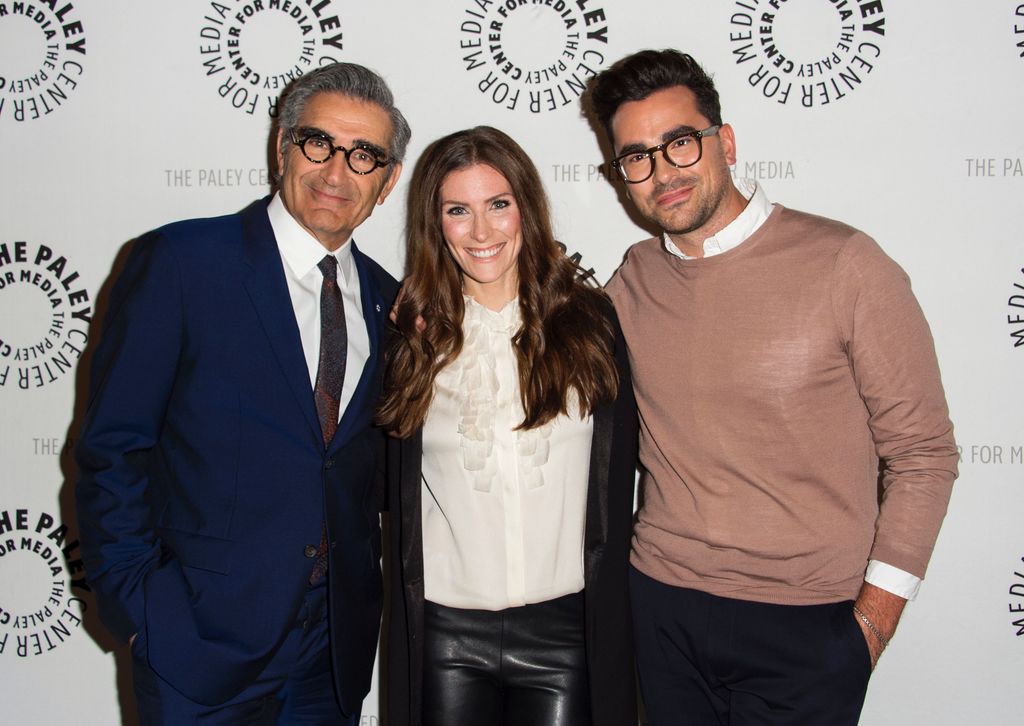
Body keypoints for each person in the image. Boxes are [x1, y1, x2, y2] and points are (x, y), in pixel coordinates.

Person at [585, 49, 958, 725]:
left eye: (679, 144)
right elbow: (545, 358)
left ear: (723, 142)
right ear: (621, 177)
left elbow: (925, 454)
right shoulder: (632, 278)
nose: (662, 171)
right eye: (636, 156)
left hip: (809, 621)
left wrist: (871, 625)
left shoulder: (846, 264)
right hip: (662, 606)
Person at [75, 62, 410, 724]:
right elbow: (113, 448)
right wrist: (142, 611)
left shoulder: (388, 299)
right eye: (319, 143)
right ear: (282, 147)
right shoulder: (181, 263)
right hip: (197, 644)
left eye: (364, 155)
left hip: (331, 654)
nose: (337, 171)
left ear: (387, 181)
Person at [377, 126, 638, 726]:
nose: (482, 231)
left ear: (526, 208)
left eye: (498, 204)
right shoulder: (410, 339)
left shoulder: (592, 324)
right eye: (457, 211)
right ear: (434, 223)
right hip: (445, 635)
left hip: (566, 631)